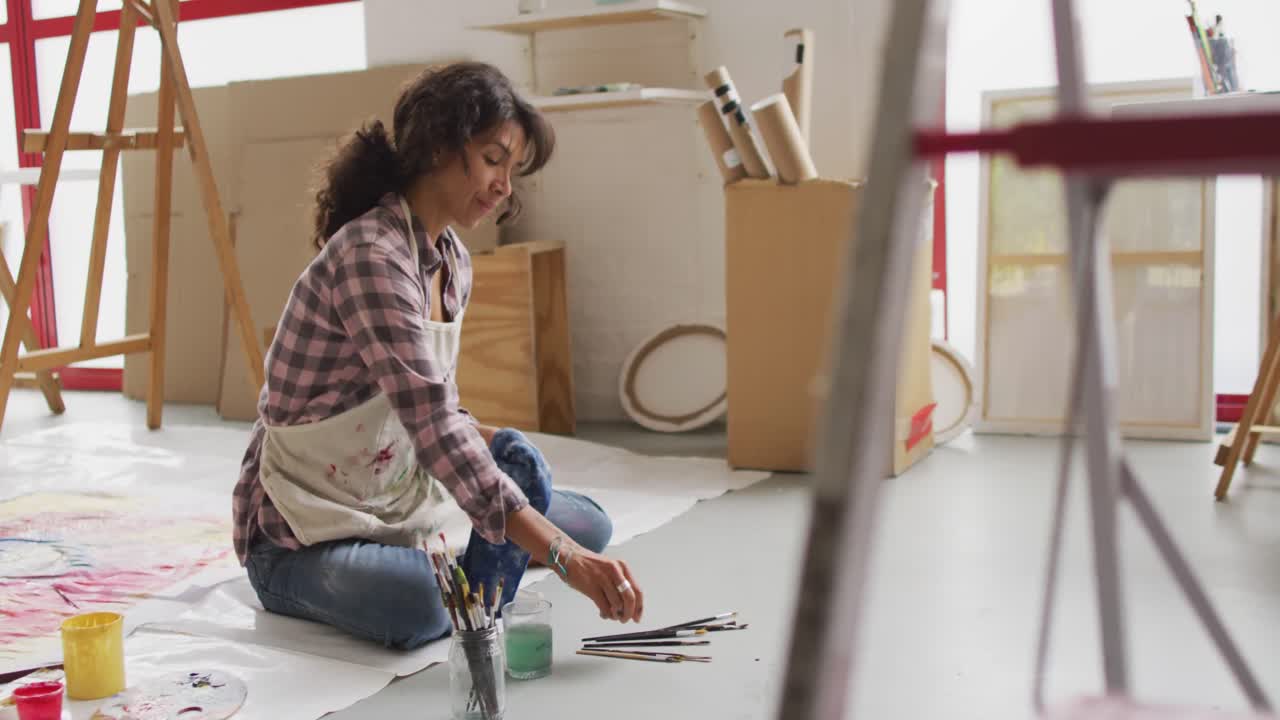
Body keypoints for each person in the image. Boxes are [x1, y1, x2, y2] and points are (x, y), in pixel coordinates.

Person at [230, 62, 643, 650]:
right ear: (438, 146)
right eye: (493, 159)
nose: (504, 186)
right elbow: (431, 422)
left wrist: (510, 461)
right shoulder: (372, 256)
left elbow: (434, 411)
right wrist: (561, 554)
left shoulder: (451, 261)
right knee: (424, 603)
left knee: (589, 525)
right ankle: (469, 563)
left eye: (512, 170)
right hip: (305, 531)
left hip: (397, 493)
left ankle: (474, 556)